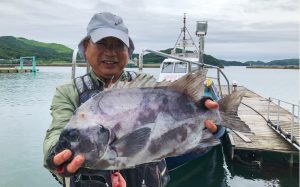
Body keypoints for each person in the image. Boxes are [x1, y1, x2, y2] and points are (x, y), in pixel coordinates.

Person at [43, 12, 223, 187]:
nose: (111, 52)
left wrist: (209, 117)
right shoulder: (69, 92)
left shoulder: (149, 86)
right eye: (102, 43)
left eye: (118, 45)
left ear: (128, 52)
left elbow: (177, 109)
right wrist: (54, 156)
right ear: (85, 47)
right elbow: (56, 133)